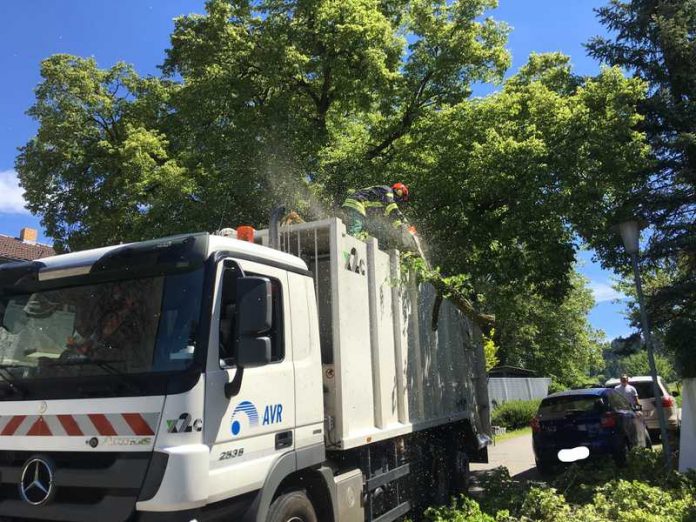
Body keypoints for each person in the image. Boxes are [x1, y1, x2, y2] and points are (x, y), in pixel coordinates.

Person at [341, 183, 410, 240]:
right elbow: (391, 206)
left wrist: (400, 227)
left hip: (357, 205)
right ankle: (349, 240)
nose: (400, 198)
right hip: (356, 202)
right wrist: (402, 218)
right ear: (397, 190)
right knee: (356, 224)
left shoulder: (384, 202)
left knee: (362, 226)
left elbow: (390, 216)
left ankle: (348, 238)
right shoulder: (388, 190)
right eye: (401, 194)